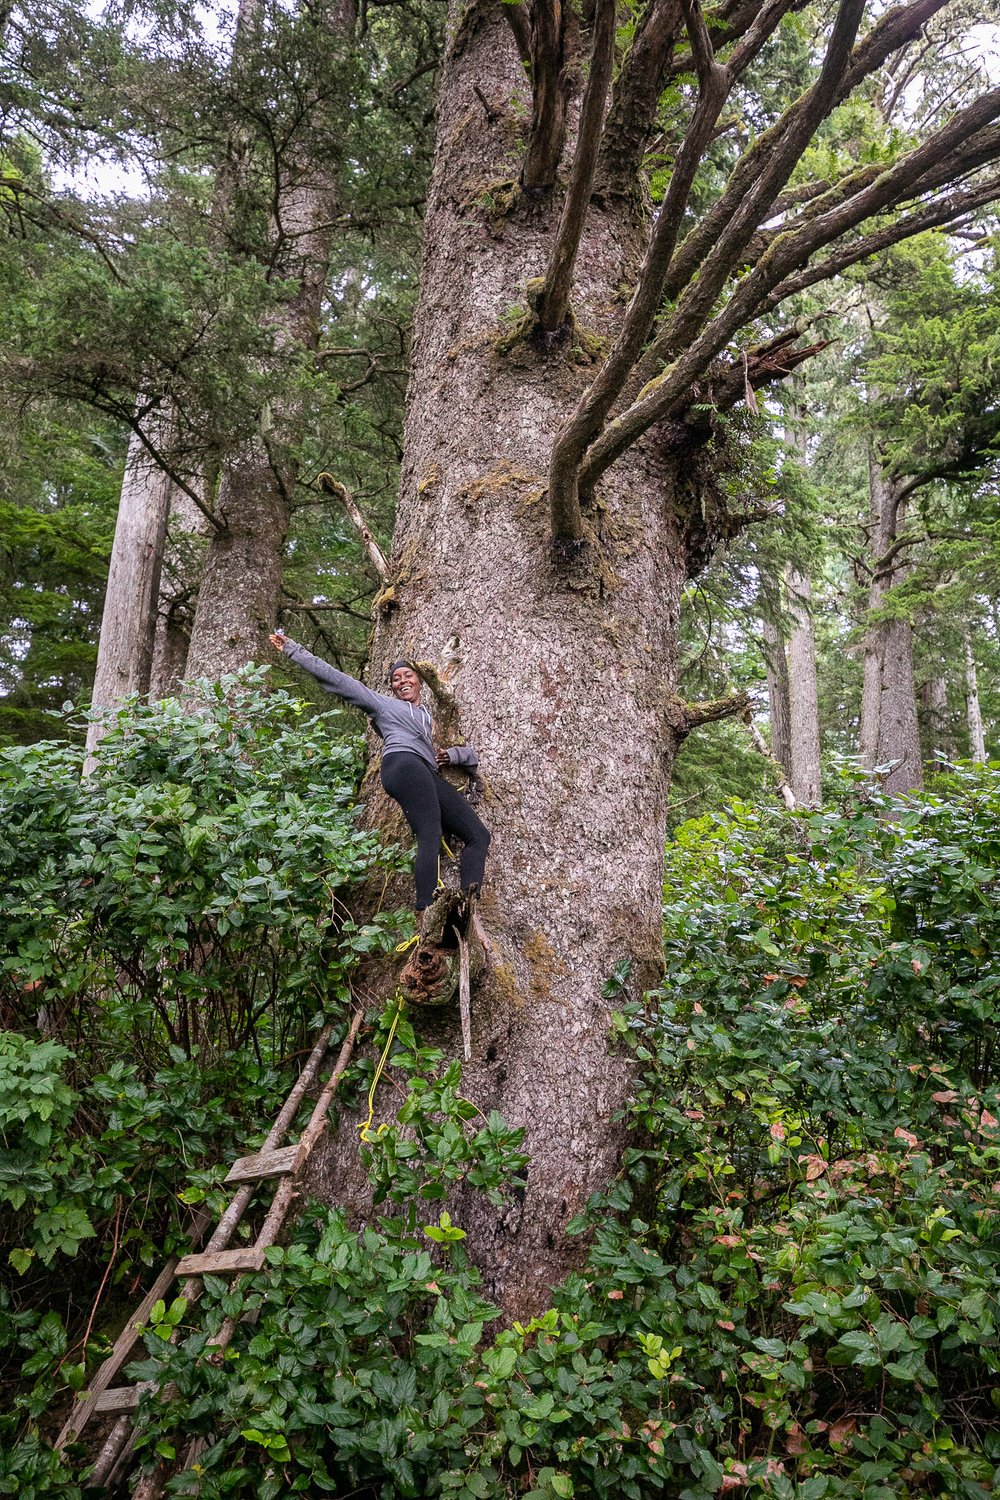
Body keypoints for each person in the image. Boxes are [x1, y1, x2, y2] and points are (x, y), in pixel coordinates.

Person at [269, 633, 490, 929]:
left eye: (408, 675)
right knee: (430, 833)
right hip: (402, 764)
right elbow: (340, 681)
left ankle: (466, 910)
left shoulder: (426, 718)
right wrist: (293, 649)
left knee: (478, 835)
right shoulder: (386, 707)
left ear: (420, 681)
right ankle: (426, 911)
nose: (402, 681)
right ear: (392, 689)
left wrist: (455, 755)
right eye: (396, 679)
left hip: (424, 769)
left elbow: (462, 755)